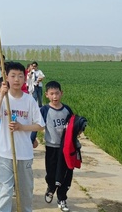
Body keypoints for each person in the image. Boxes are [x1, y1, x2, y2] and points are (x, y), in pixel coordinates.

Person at [0, 62, 45, 212]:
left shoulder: (29, 100)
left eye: (20, 76)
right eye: (13, 76)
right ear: (6, 77)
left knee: (25, 191)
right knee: (6, 190)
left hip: (24, 154)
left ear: (25, 78)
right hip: (4, 153)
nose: (16, 79)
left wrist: (22, 127)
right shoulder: (3, 98)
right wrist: (1, 95)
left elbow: (40, 125)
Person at [39, 81, 74, 212]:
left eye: (57, 93)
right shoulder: (44, 110)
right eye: (52, 94)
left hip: (66, 148)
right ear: (47, 95)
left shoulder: (67, 110)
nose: (55, 96)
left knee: (66, 174)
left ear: (61, 93)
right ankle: (51, 187)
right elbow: (37, 125)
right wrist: (32, 140)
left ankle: (62, 198)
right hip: (51, 147)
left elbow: (73, 126)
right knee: (51, 173)